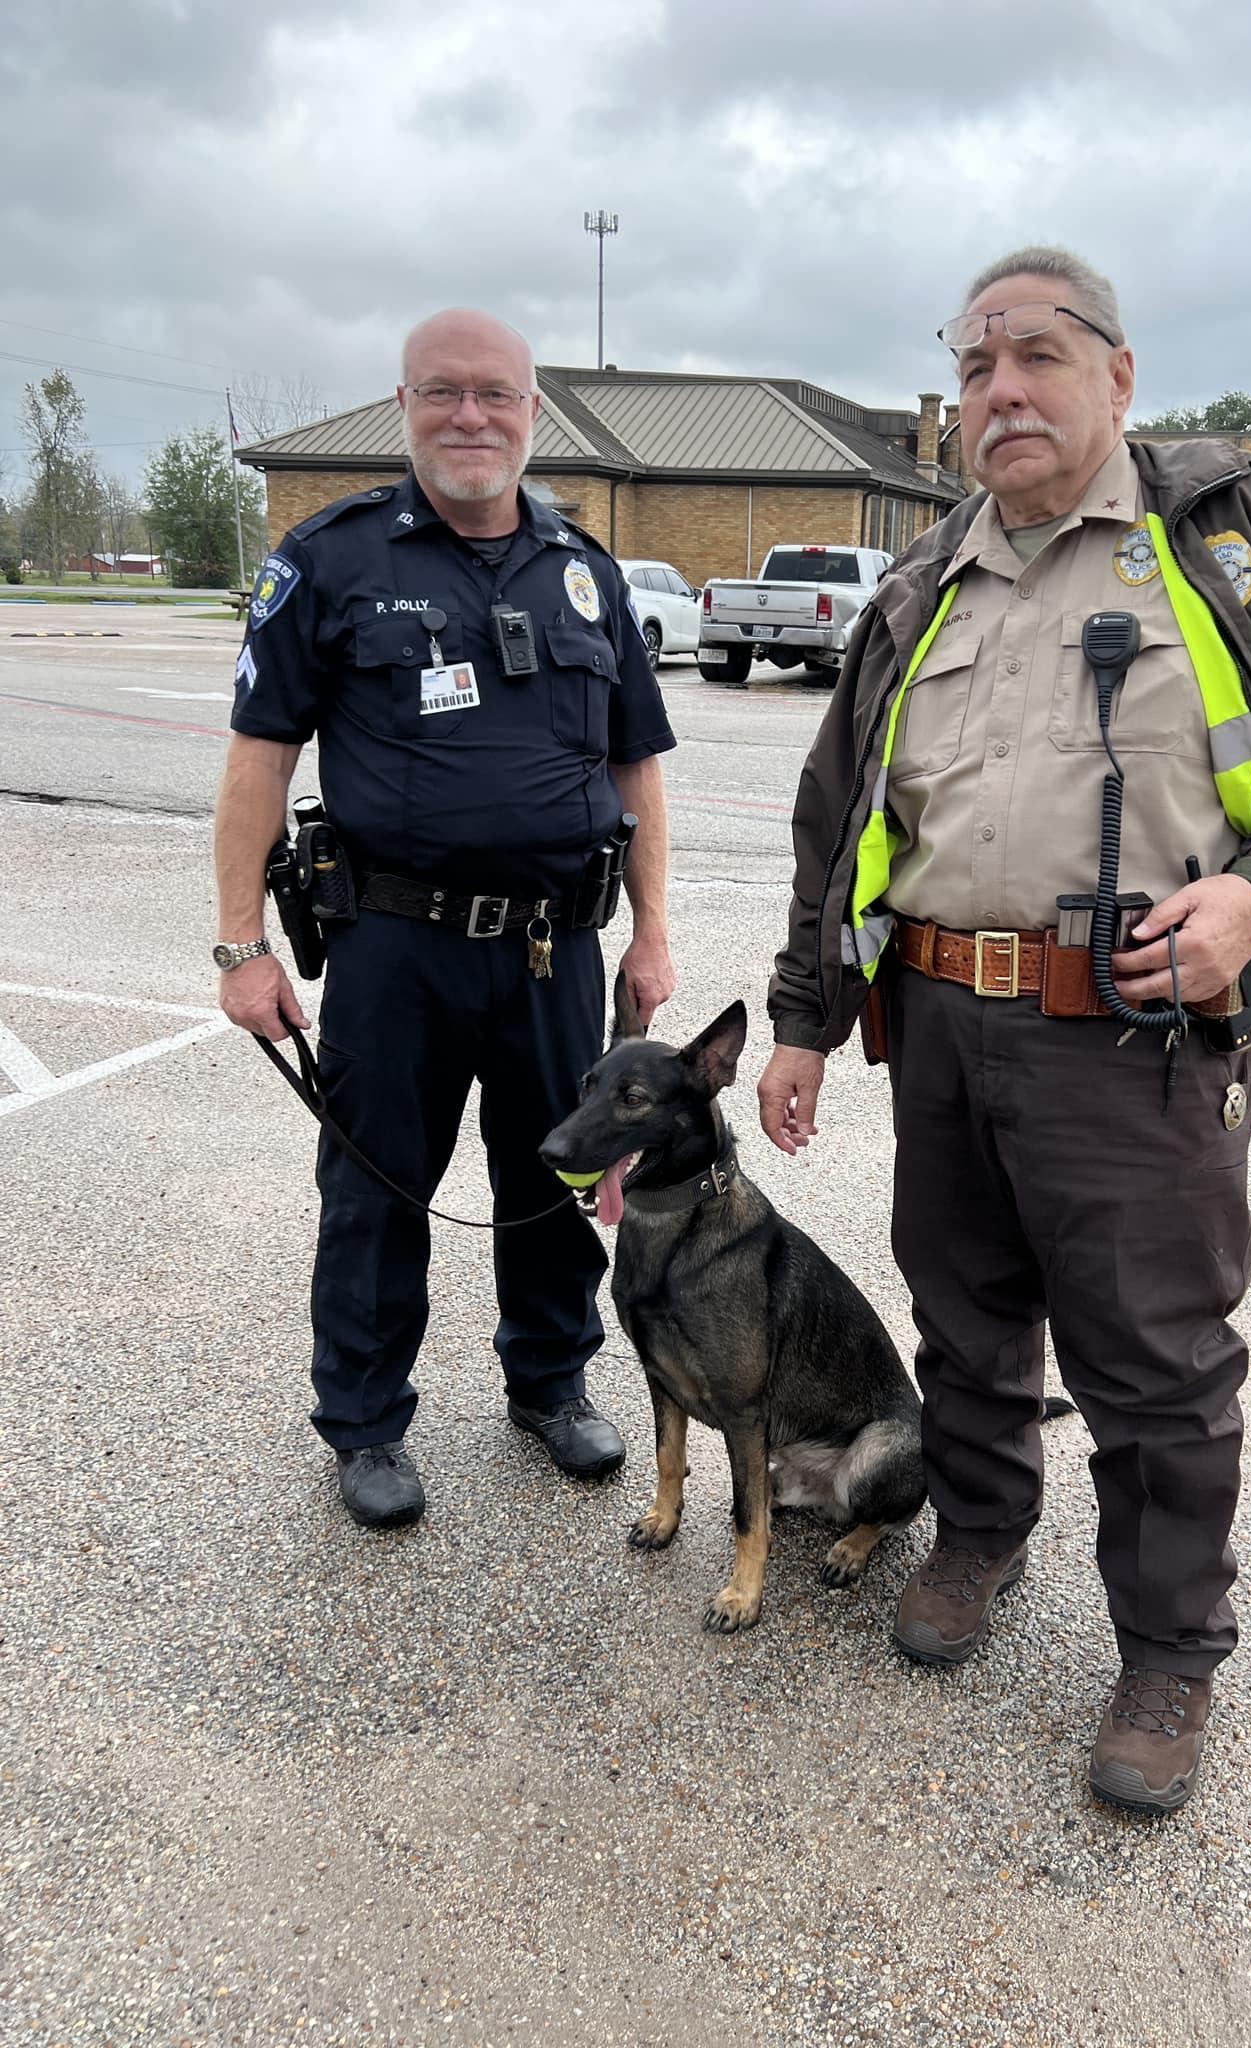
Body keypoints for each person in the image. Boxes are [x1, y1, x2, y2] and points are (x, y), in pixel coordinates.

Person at [757, 247, 1251, 1814]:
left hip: (1134, 1037)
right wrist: (806, 1020)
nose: (1004, 390)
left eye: (1040, 355)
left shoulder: (1229, 535)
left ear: (1119, 375)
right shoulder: (923, 584)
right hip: (934, 1021)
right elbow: (837, 819)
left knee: (1157, 1366)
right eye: (976, 364)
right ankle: (980, 1534)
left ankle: (1171, 1653)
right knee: (965, 1316)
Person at [212, 309, 677, 1528]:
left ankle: (552, 1381)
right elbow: (258, 763)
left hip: (555, 948)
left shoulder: (588, 567)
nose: (471, 417)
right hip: (394, 945)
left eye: (496, 395)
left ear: (534, 412)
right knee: (376, 1187)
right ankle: (365, 1420)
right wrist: (240, 944)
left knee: (566, 1171)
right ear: (405, 404)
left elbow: (640, 768)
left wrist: (654, 928)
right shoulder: (330, 558)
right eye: (443, 393)